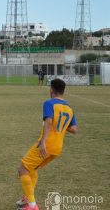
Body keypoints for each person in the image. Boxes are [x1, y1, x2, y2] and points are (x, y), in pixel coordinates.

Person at [16, 79, 77, 210]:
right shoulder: (69, 108)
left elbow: (48, 122)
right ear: (64, 91)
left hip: (46, 145)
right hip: (57, 148)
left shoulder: (49, 103)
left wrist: (43, 141)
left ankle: (32, 206)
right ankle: (27, 198)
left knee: (23, 170)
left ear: (51, 90)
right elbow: (74, 129)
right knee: (31, 168)